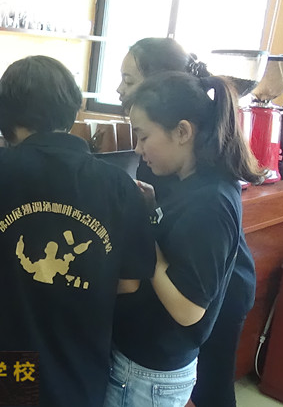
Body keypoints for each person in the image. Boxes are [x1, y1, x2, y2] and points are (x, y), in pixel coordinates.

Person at [0, 56, 156, 407]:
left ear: (5, 114)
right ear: (70, 109)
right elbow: (129, 283)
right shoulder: (119, 184)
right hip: (79, 381)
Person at [107, 71, 264, 407]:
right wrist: (150, 207)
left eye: (144, 136)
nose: (138, 148)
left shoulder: (210, 202)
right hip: (146, 361)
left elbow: (188, 309)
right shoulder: (190, 182)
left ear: (182, 132)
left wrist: (143, 237)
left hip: (149, 373)